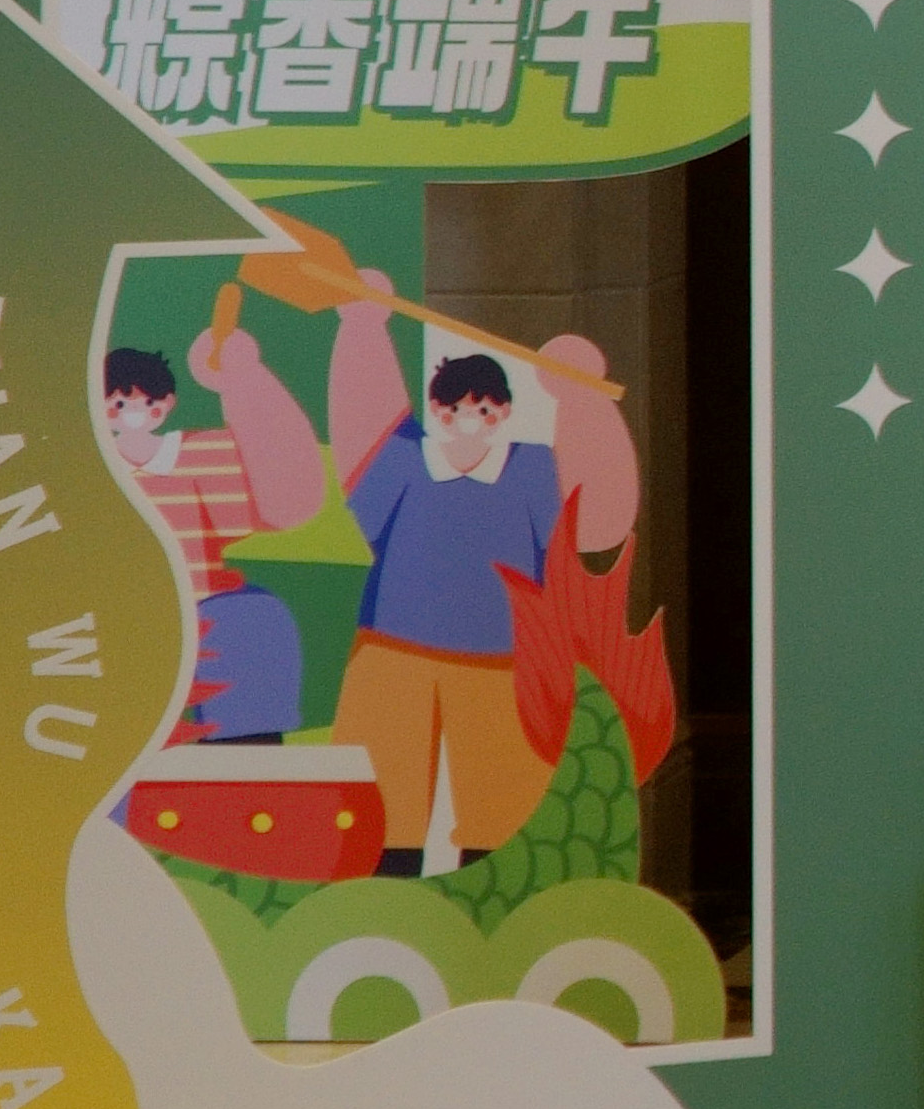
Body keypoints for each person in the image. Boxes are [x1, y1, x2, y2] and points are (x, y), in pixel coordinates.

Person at [329, 312, 571, 872]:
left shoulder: (532, 466)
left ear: (503, 413)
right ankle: (379, 893)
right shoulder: (402, 458)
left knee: (500, 802)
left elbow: (556, 552)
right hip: (394, 646)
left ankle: (487, 895)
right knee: (383, 795)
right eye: (457, 410)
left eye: (486, 411)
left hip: (502, 655)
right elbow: (360, 527)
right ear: (438, 412)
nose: (471, 422)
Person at [96, 337, 307, 742]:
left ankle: (247, 748)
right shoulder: (96, 469)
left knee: (254, 618)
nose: (134, 413)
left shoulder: (198, 453)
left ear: (166, 405)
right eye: (119, 403)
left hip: (203, 599)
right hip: (126, 607)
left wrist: (243, 380)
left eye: (147, 403)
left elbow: (280, 499)